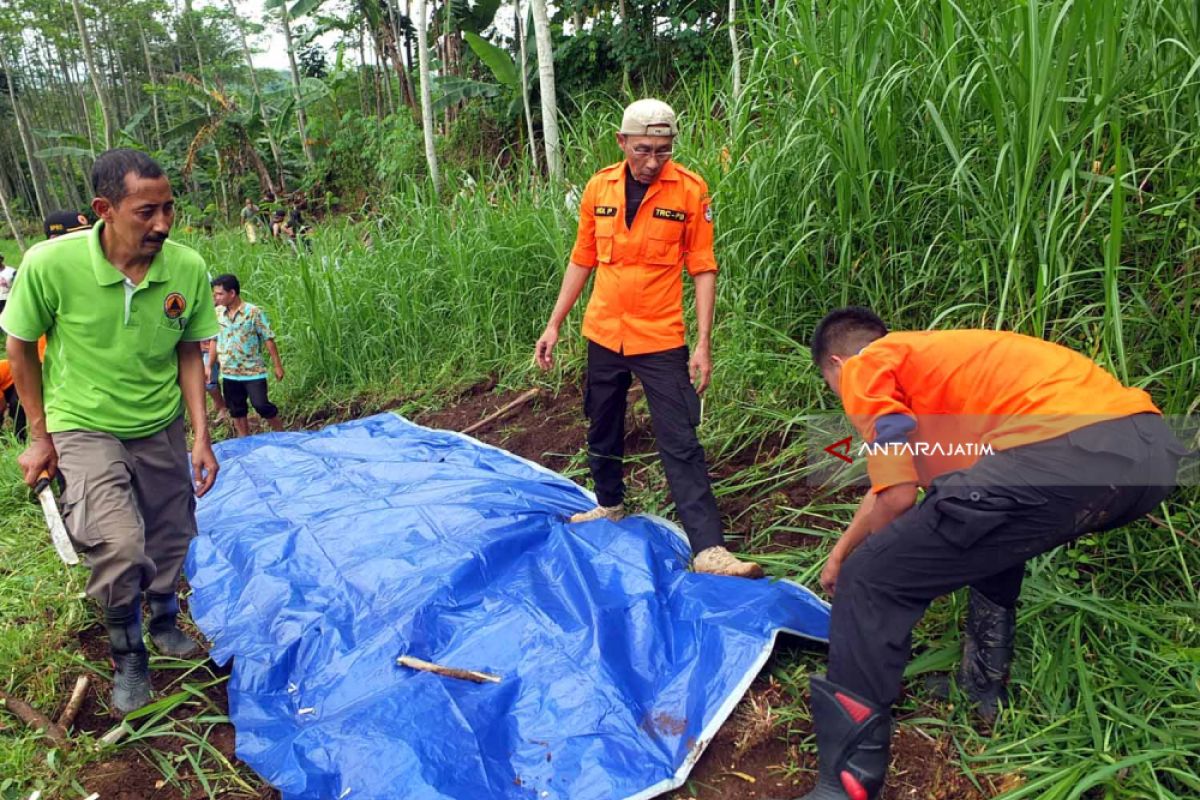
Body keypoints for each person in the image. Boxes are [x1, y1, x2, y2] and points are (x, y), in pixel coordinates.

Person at [793, 308, 1188, 800]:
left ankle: (844, 784)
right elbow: (899, 491)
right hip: (1147, 454)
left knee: (871, 579)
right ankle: (982, 685)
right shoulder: (945, 377)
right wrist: (839, 552)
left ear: (837, 363)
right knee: (973, 521)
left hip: (1067, 450)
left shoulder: (866, 364)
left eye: (833, 387)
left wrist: (857, 568)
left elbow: (897, 499)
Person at [1, 149, 219, 714]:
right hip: (83, 425)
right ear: (105, 208)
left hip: (159, 422)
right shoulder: (51, 265)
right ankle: (129, 655)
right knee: (121, 544)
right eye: (147, 211)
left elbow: (190, 354)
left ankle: (166, 621)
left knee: (172, 534)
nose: (163, 224)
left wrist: (200, 435)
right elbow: (20, 348)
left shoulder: (187, 268)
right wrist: (39, 436)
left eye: (169, 208)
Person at [534, 98, 762, 579]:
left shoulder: (690, 192)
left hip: (660, 336)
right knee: (602, 421)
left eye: (663, 150)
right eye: (643, 150)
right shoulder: (600, 186)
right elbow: (582, 258)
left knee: (679, 438)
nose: (653, 161)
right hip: (604, 331)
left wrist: (703, 343)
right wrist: (555, 323)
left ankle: (708, 549)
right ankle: (609, 503)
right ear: (622, 143)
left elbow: (703, 268)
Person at [209, 273, 285, 437]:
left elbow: (268, 338)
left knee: (261, 405)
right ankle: (244, 441)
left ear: (232, 293)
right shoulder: (217, 313)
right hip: (229, 373)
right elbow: (214, 340)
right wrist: (209, 367)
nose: (216, 297)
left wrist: (277, 366)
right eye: (215, 294)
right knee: (236, 410)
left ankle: (283, 434)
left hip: (252, 371)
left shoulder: (252, 312)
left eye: (220, 294)